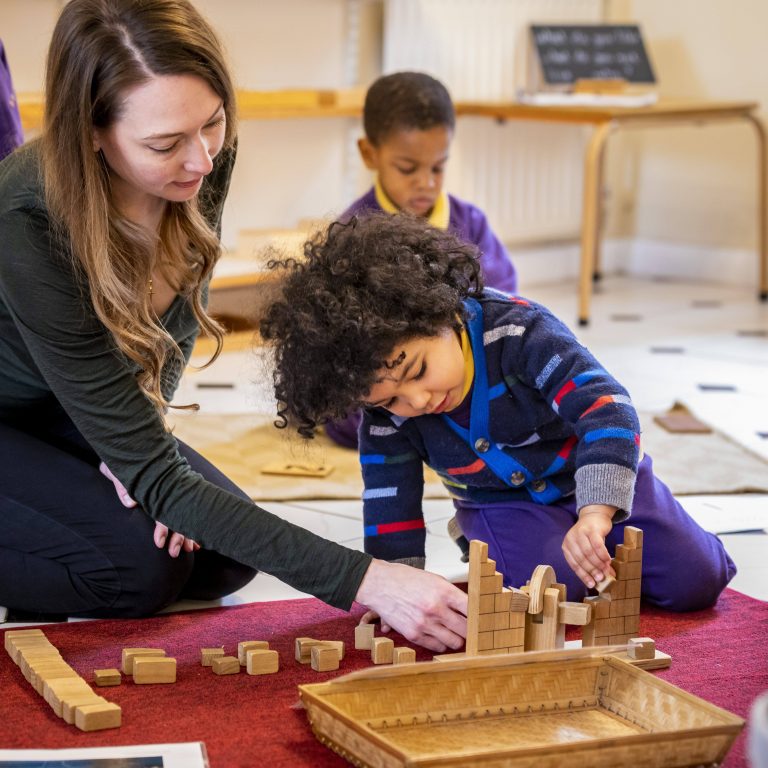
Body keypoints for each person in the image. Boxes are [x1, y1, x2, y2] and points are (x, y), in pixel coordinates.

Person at [0, 0, 468, 652]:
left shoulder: (202, 154)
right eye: (165, 145)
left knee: (223, 557)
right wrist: (370, 582)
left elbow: (178, 305)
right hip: (12, 408)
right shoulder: (27, 222)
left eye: (212, 124)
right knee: (137, 573)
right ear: (93, 136)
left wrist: (138, 434)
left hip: (59, 396)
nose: (199, 161)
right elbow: (160, 481)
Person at [260, 213, 737, 611]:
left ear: (441, 311)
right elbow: (391, 504)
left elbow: (609, 411)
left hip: (591, 474)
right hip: (499, 503)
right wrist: (397, 587)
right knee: (550, 596)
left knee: (697, 582)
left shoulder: (522, 333)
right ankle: (479, 535)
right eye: (390, 399)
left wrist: (596, 512)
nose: (417, 402)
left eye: (419, 369)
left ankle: (610, 525)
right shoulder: (386, 415)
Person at [325, 70, 517, 449]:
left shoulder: (470, 224)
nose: (426, 183)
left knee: (518, 386)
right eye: (408, 169)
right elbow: (342, 338)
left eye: (438, 167)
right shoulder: (352, 232)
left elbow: (504, 305)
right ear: (369, 153)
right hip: (391, 377)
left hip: (459, 368)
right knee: (347, 421)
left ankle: (437, 420)